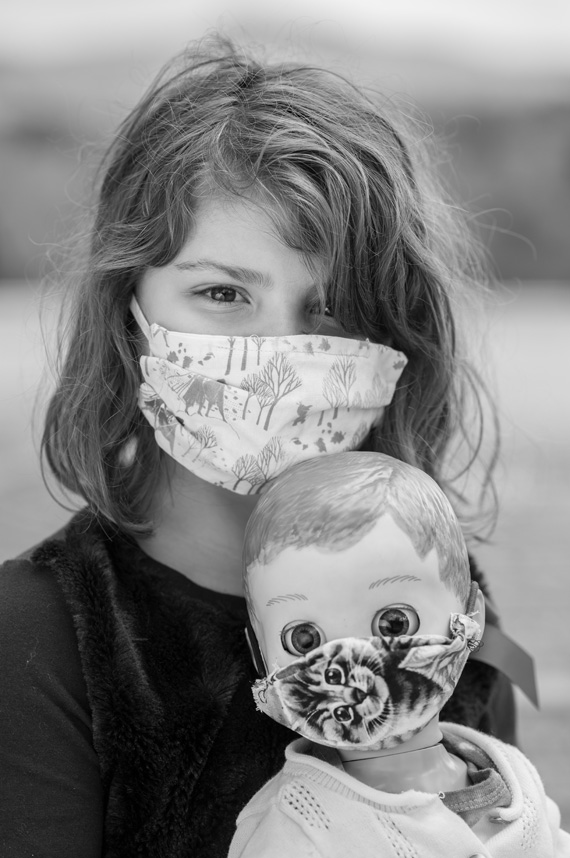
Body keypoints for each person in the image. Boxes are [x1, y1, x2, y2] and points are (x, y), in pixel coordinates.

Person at [0, 34, 531, 858]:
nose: (280, 350)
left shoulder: (450, 622)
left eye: (329, 306)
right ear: (128, 312)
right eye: (222, 293)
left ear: (393, 336)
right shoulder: (38, 637)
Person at [230, 452, 568, 858]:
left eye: (394, 623)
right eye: (304, 639)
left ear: (471, 613)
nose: (353, 659)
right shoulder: (295, 832)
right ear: (259, 655)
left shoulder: (518, 784)